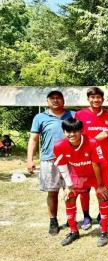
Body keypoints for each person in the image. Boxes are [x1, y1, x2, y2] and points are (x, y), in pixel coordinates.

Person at [53, 118, 108, 246]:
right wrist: (69, 185)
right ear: (63, 132)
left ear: (81, 131)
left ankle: (104, 232)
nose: (71, 134)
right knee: (69, 197)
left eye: (75, 131)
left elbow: (97, 165)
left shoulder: (93, 142)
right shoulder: (59, 146)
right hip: (78, 174)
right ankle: (73, 231)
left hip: (98, 173)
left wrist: (100, 186)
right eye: (68, 131)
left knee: (103, 197)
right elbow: (62, 166)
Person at [27, 90, 75, 235]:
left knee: (71, 191)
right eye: (52, 98)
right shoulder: (40, 117)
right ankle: (53, 221)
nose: (55, 100)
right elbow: (34, 139)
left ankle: (70, 219)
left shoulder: (73, 115)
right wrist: (30, 159)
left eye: (58, 98)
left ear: (63, 101)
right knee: (52, 192)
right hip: (49, 159)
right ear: (47, 101)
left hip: (71, 160)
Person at [74, 87, 108, 230]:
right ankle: (86, 216)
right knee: (84, 189)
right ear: (88, 99)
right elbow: (74, 134)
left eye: (98, 97)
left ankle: (101, 215)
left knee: (102, 189)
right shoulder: (80, 114)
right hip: (84, 159)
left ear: (102, 99)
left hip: (102, 159)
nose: (96, 100)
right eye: (93, 97)